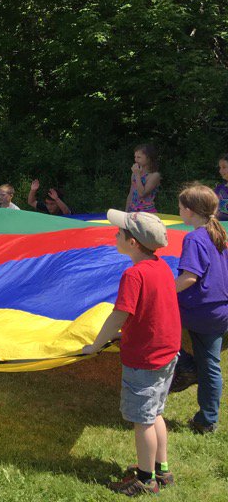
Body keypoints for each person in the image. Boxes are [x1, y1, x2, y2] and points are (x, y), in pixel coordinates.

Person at [81, 210, 179, 495]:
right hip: (167, 353)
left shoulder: (134, 274)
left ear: (133, 242)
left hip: (146, 359)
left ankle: (145, 480)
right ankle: (162, 470)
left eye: (119, 232)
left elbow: (118, 316)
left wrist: (95, 345)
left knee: (143, 422)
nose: (115, 234)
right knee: (155, 413)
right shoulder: (161, 266)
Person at [167, 184, 228, 434]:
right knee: (210, 362)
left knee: (207, 364)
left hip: (202, 312)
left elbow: (189, 277)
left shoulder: (194, 238)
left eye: (180, 208)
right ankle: (207, 415)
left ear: (190, 211)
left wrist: (162, 290)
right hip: (218, 310)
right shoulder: (219, 234)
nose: (179, 211)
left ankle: (206, 418)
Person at [127, 144, 161, 214]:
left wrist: (137, 175)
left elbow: (142, 194)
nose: (136, 160)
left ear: (148, 158)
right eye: (135, 157)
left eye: (139, 157)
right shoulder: (134, 174)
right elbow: (131, 194)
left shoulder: (154, 176)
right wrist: (126, 212)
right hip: (132, 211)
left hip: (147, 213)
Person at [214, 155, 228, 222]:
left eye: (224, 167)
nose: (220, 171)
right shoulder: (218, 189)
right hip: (220, 229)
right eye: (220, 167)